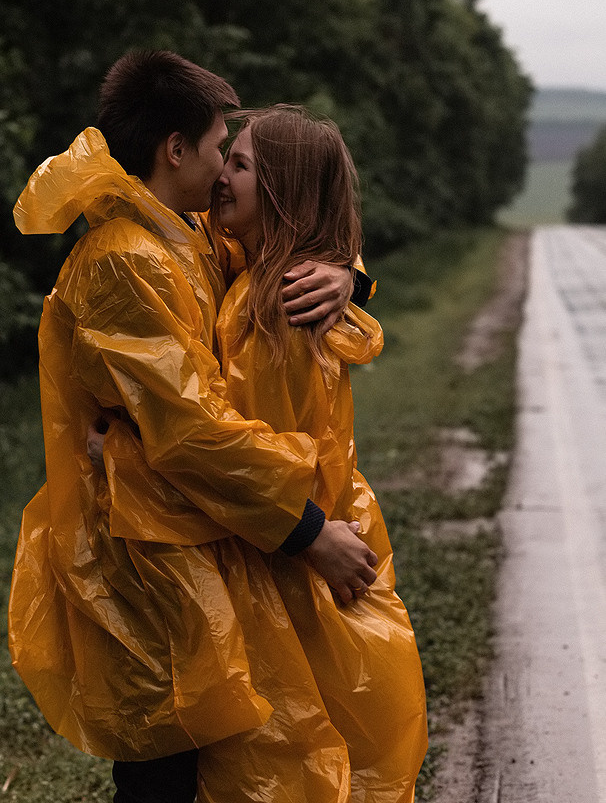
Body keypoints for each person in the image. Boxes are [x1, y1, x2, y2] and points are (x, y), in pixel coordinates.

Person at [9, 51, 379, 803]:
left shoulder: (184, 238)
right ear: (174, 149)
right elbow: (192, 432)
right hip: (145, 553)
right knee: (164, 760)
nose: (222, 173)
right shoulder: (124, 262)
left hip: (190, 538)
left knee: (205, 751)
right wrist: (311, 532)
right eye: (219, 151)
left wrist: (348, 273)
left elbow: (289, 232)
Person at [208, 106, 428, 801]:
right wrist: (349, 273)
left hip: (287, 552)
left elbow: (259, 455)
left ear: (279, 194)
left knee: (293, 754)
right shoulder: (260, 270)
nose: (221, 174)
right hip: (292, 541)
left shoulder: (280, 307)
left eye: (239, 164)